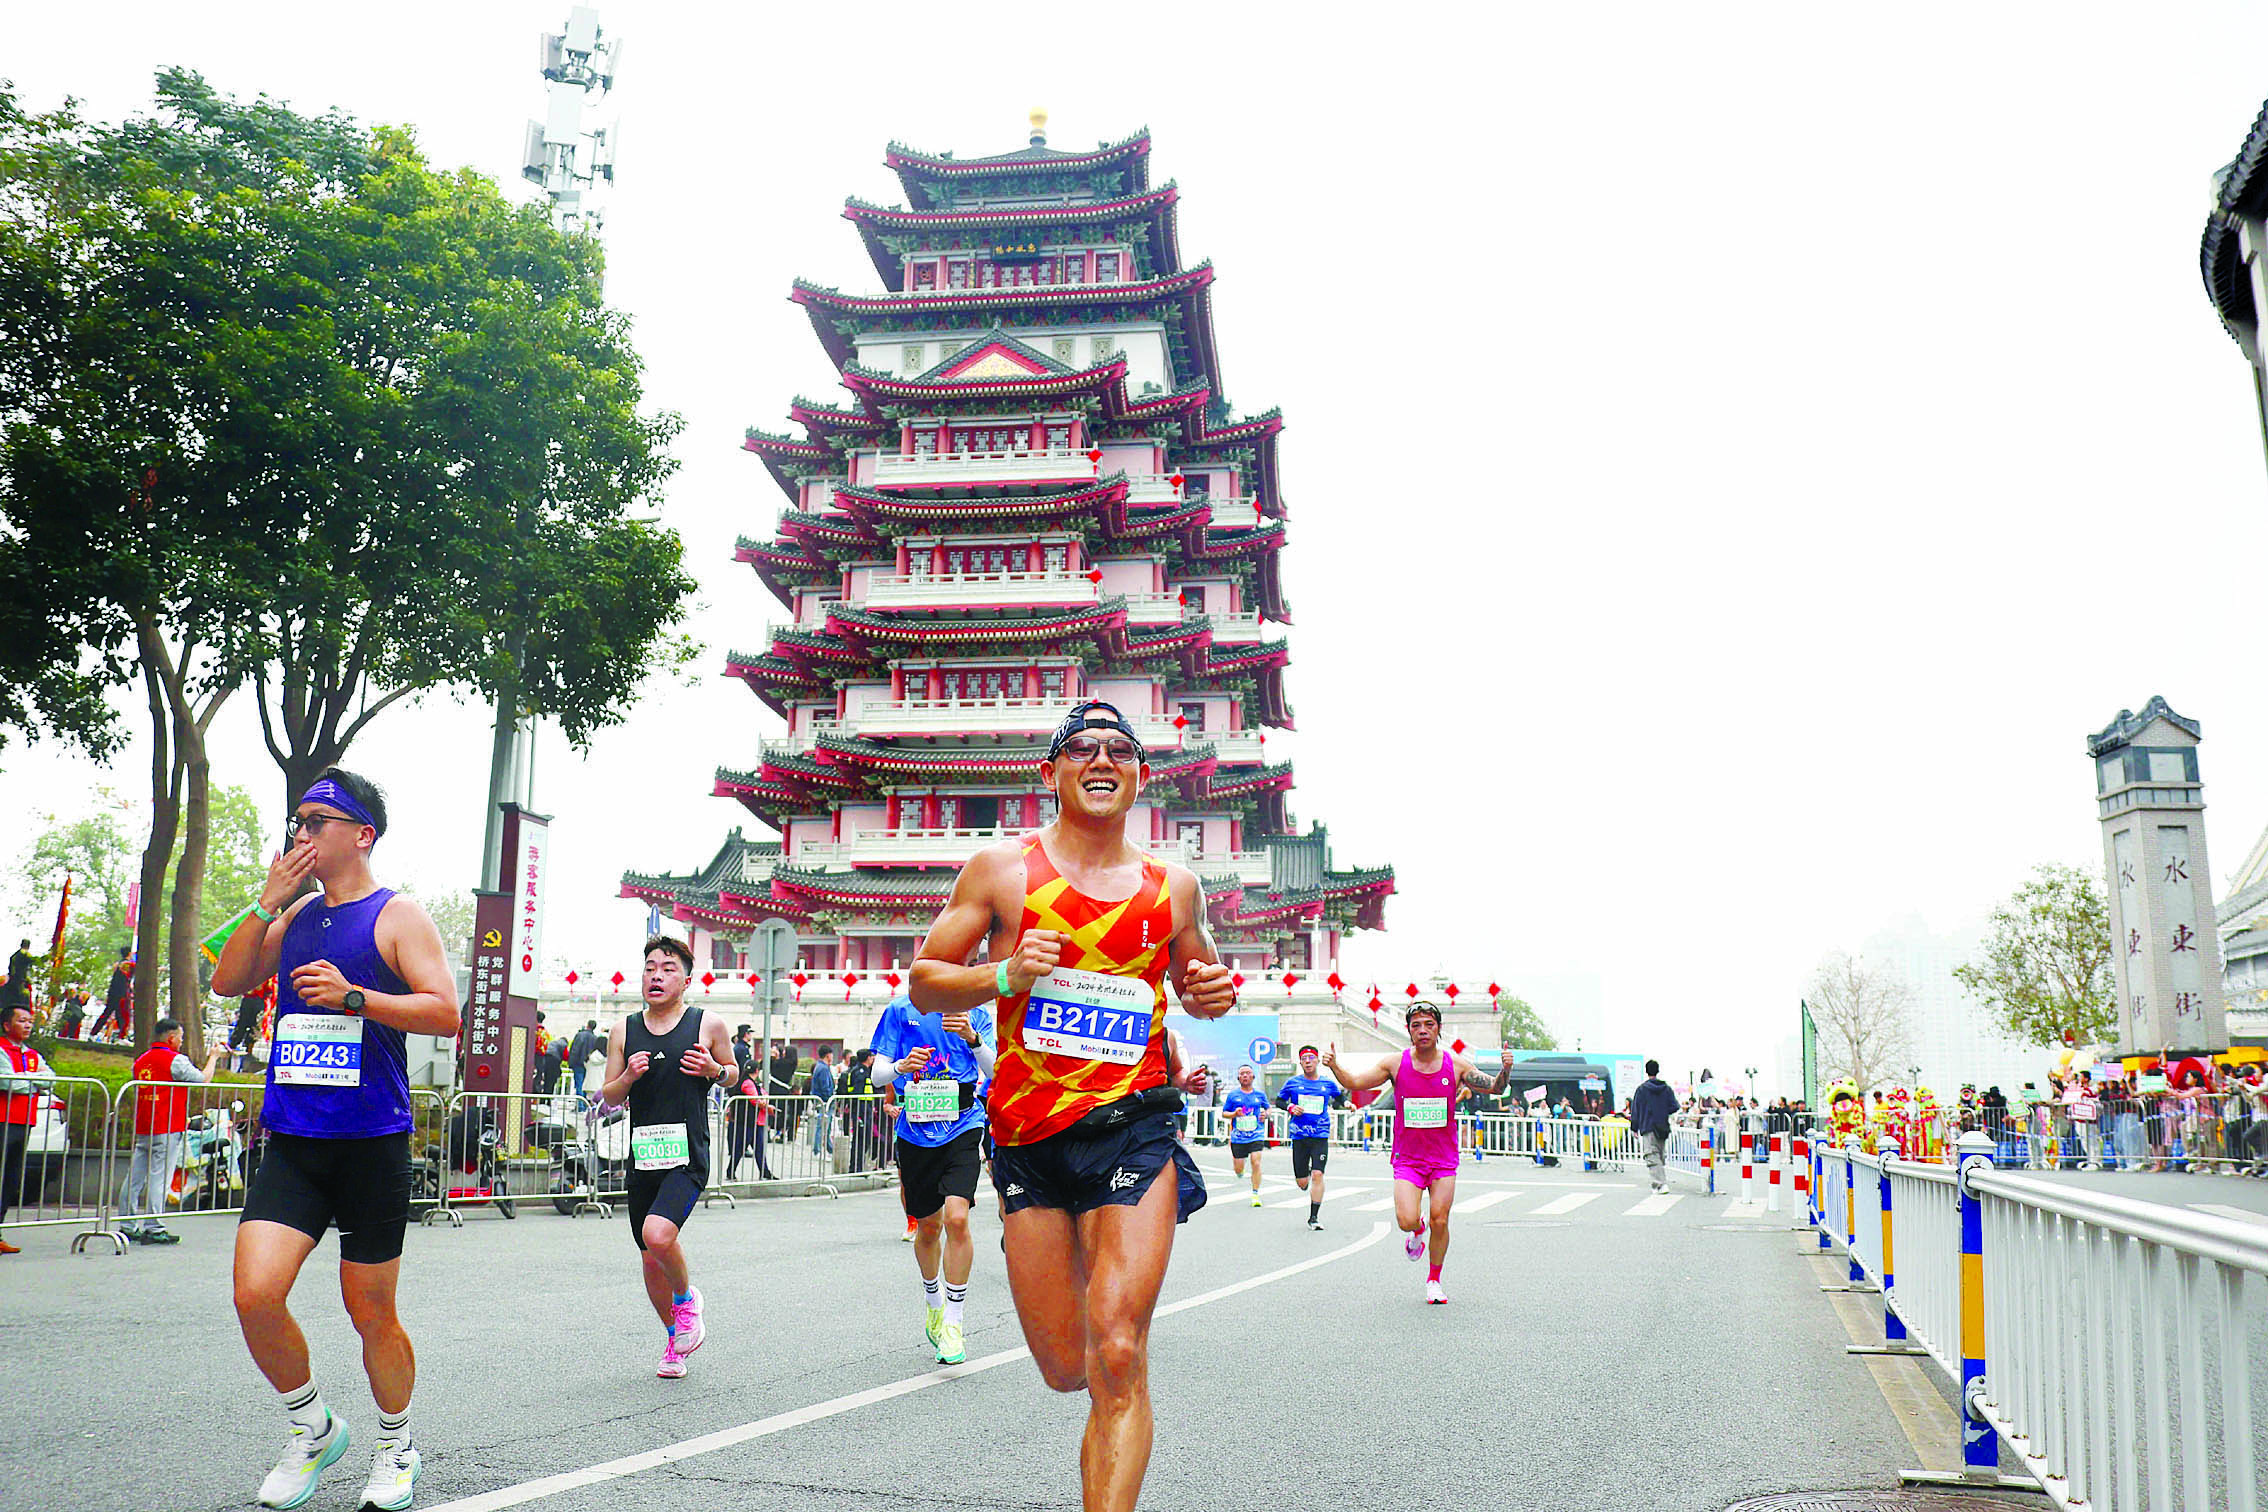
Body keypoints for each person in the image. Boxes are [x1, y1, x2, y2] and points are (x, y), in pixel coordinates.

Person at [909, 701, 1235, 1512]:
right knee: (1067, 1367)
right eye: (1082, 747)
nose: (1102, 758)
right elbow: (925, 982)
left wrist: (1213, 994)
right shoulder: (1001, 871)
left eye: (1120, 749)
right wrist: (1006, 975)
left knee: (1118, 1350)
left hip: (1133, 1126)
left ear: (1140, 777)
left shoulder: (1175, 888)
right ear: (1050, 772)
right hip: (1029, 1138)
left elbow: (1202, 984)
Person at [209, 768, 459, 1512]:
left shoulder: (397, 915)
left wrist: (355, 997)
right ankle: (312, 1428)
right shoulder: (292, 916)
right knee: (255, 1294)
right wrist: (267, 901)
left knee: (370, 1312)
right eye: (298, 822)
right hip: (294, 1138)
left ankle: (396, 1444)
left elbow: (445, 1012)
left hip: (370, 1141)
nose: (302, 833)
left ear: (362, 835)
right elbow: (227, 981)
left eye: (317, 821)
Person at [599, 935, 735, 1379]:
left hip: (687, 1154)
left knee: (658, 1235)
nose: (656, 976)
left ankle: (686, 1300)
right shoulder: (623, 1030)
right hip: (644, 1155)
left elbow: (732, 1073)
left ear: (687, 980)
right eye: (650, 968)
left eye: (668, 968)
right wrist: (628, 1076)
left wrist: (714, 1070)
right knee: (648, 1257)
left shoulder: (706, 1024)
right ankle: (675, 1340)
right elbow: (609, 1095)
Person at [1326, 1001, 1510, 1304]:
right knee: (1406, 1220)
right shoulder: (1394, 1064)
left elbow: (1495, 1088)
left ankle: (1434, 1280)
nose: (1423, 1030)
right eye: (1416, 1026)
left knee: (1441, 1219)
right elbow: (1355, 1082)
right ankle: (1417, 1229)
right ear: (1409, 1031)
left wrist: (1506, 1069)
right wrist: (1334, 1066)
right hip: (1408, 1159)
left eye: (1429, 1025)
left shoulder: (1456, 1064)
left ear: (1438, 1029)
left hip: (1443, 1159)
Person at [866, 992, 996, 1364]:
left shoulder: (975, 1011)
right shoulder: (900, 1009)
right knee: (928, 1227)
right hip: (916, 1130)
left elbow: (996, 1071)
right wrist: (902, 1065)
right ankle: (934, 1302)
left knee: (957, 1219)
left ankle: (954, 1322)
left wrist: (973, 1038)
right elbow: (877, 1075)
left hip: (964, 1123)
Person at [118, 1017, 224, 1243]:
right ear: (171, 1038)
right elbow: (203, 1079)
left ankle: (127, 1224)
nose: (182, 1042)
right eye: (181, 1038)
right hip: (167, 1126)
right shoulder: (176, 1060)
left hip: (145, 1126)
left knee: (135, 1177)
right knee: (160, 1178)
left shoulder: (141, 1061)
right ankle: (154, 1227)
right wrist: (213, 1057)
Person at [0, 1001, 56, 1253]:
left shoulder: (32, 1055)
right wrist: (34, 1083)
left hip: (24, 1121)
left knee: (10, 1179)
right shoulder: (2, 1050)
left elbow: (51, 1079)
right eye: (21, 1021)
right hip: (3, 1120)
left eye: (30, 1022)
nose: (27, 1026)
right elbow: (8, 1083)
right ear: (6, 1025)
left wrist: (25, 1080)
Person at [1274, 1045, 1347, 1229]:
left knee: (1318, 1174)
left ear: (1317, 1061)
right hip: (1299, 1136)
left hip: (1320, 1135)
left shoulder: (1327, 1083)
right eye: (1304, 1059)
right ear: (1300, 1062)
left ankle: (1313, 1217)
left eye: (1311, 1058)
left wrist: (1347, 1104)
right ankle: (1304, 1174)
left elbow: (1339, 1097)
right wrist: (1290, 1107)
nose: (1308, 1061)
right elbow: (1280, 1101)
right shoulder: (1292, 1083)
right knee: (1302, 1183)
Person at [1221, 1065, 1271, 1206]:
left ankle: (1255, 1194)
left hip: (1256, 1134)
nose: (1245, 1076)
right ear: (1238, 1078)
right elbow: (1224, 1113)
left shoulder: (1260, 1095)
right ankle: (1240, 1171)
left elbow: (1268, 1109)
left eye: (1248, 1073)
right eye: (1242, 1073)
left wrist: (1266, 1115)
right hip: (1238, 1137)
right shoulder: (1233, 1095)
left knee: (1256, 1162)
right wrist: (1234, 1114)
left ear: (1253, 1077)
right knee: (1238, 1168)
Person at [1629, 1059, 1678, 1193]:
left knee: (1651, 1155)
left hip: (1648, 1126)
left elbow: (1636, 1110)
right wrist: (1662, 1111)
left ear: (1646, 1071)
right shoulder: (1666, 1088)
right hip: (1662, 1126)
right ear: (1658, 1071)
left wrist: (1634, 1127)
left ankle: (1660, 1184)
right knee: (1660, 1155)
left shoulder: (1642, 1090)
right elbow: (1674, 1106)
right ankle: (1658, 1184)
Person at [92, 947, 133, 1040]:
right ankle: (122, 1037)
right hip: (120, 994)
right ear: (129, 953)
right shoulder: (127, 964)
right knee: (121, 1016)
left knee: (108, 1014)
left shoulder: (118, 964)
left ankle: (93, 1033)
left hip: (113, 993)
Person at [809, 1047, 838, 1159]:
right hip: (825, 1102)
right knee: (822, 1127)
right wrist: (830, 1097)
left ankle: (829, 1149)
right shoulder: (824, 1069)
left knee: (826, 1126)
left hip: (822, 1101)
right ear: (828, 1055)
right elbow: (825, 1087)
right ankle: (817, 1151)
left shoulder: (820, 1067)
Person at [568, 1020, 599, 1095]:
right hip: (588, 1064)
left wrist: (571, 1063)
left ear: (587, 1025)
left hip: (578, 1063)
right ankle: (584, 1101)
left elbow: (574, 1050)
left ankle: (580, 1101)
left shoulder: (580, 1035)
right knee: (585, 1085)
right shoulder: (595, 1038)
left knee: (579, 1084)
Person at [1, 939, 31, 1012]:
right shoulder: (27, 956)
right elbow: (27, 970)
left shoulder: (15, 955)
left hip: (15, 978)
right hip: (18, 980)